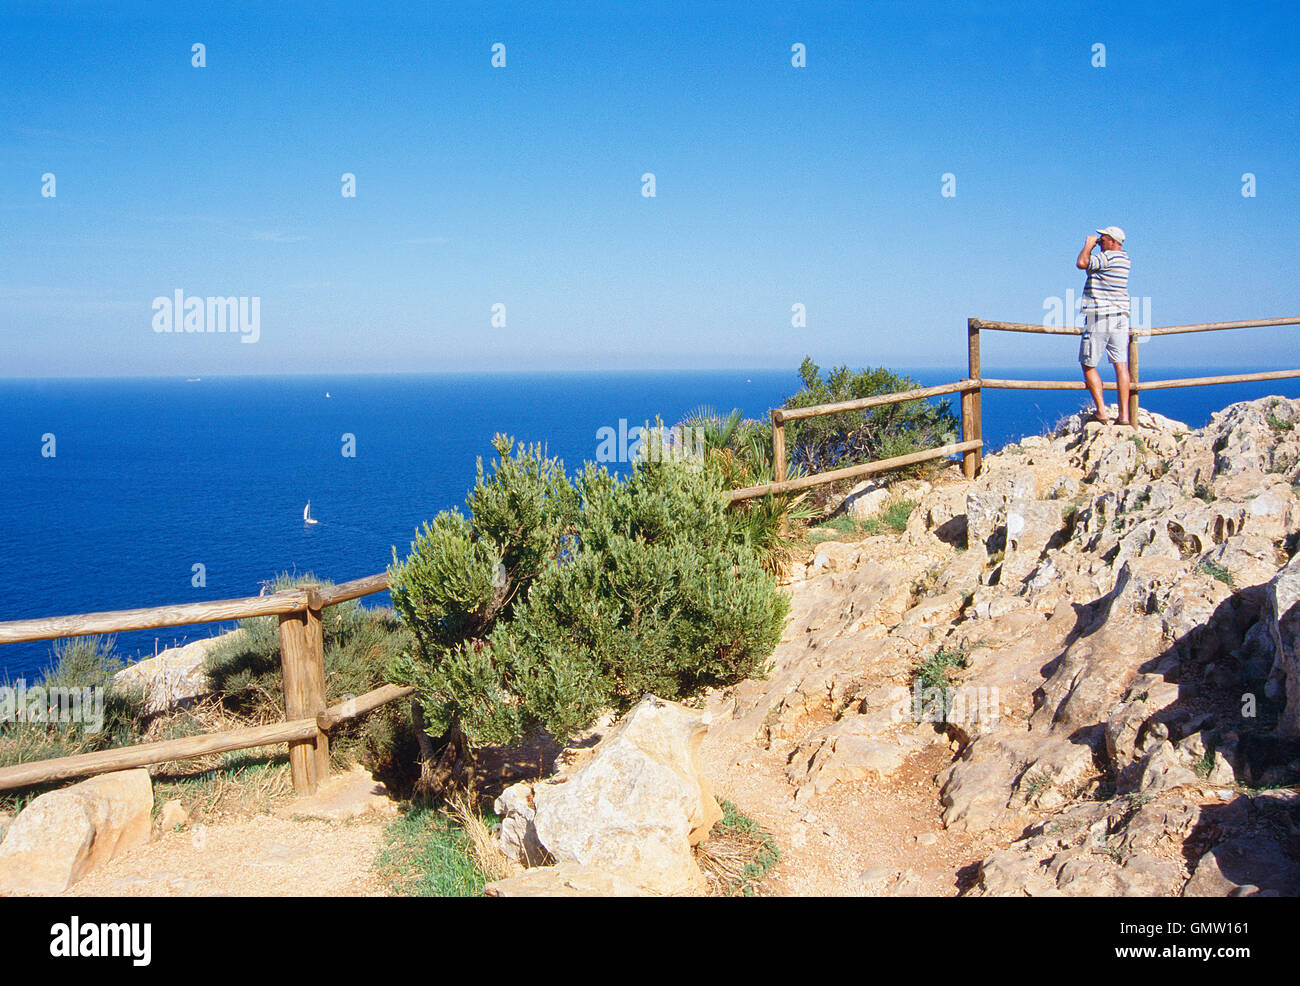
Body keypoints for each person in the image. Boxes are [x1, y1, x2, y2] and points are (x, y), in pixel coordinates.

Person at [1075, 225, 1131, 425]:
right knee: (1121, 365)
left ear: (1114, 241)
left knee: (1088, 363)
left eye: (1104, 238)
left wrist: (1088, 245)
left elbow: (1081, 263)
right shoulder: (1125, 260)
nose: (1100, 241)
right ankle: (1124, 416)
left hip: (1100, 316)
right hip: (1121, 316)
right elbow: (1095, 273)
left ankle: (1101, 411)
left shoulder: (1106, 258)